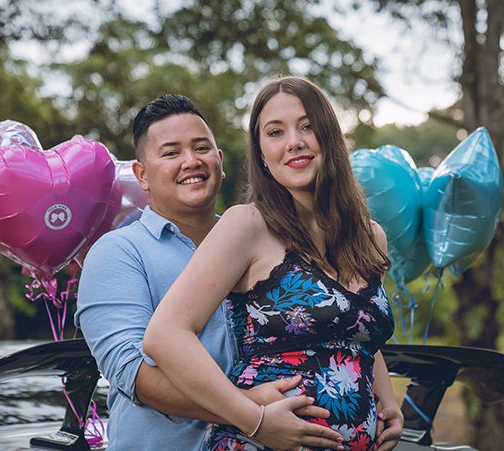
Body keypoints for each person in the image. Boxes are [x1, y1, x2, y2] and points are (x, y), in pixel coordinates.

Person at [144, 76, 404, 451]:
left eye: (307, 126)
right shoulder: (247, 225)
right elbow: (165, 335)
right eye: (275, 132)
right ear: (262, 154)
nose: (294, 141)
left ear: (330, 137)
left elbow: (355, 329)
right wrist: (255, 420)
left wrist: (388, 400)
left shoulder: (369, 235)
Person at [74, 94, 343, 450]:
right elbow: (133, 373)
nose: (191, 161)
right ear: (142, 175)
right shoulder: (118, 252)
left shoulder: (265, 242)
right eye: (171, 153)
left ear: (219, 160)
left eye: (201, 148)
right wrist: (248, 410)